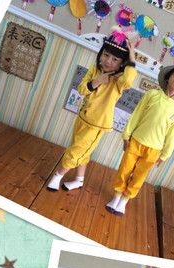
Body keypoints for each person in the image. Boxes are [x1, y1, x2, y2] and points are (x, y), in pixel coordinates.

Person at [46, 29, 136, 192]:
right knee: (82, 151)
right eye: (106, 55)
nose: (108, 61)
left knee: (75, 153)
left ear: (122, 64)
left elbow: (129, 79)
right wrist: (97, 80)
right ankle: (79, 180)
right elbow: (82, 89)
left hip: (97, 126)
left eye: (115, 59)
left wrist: (132, 59)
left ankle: (57, 176)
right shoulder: (95, 70)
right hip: (82, 118)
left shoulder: (119, 81)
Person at [106, 62, 174, 216]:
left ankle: (124, 201)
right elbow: (137, 115)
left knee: (139, 177)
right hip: (135, 141)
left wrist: (165, 154)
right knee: (124, 170)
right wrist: (126, 135)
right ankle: (116, 197)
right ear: (168, 77)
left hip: (153, 150)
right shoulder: (152, 95)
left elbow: (173, 134)